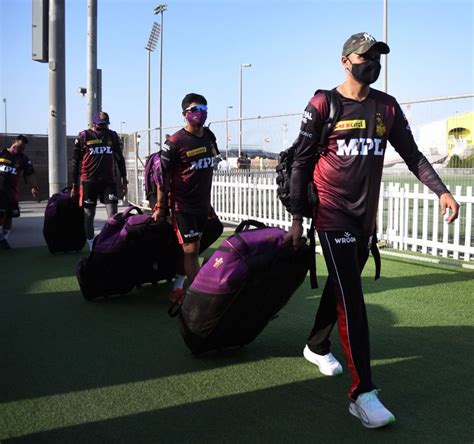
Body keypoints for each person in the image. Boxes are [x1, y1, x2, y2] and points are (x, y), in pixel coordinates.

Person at [285, 32, 459, 429]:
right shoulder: (322, 104)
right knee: (353, 299)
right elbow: (300, 162)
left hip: (365, 221)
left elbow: (413, 155)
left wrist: (442, 191)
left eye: (378, 57)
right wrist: (298, 217)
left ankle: (315, 345)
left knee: (341, 286)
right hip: (330, 214)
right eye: (366, 56)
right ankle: (363, 393)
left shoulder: (387, 107)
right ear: (345, 61)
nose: (374, 64)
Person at [152, 93, 220, 303]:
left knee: (194, 248)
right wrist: (161, 206)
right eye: (195, 109)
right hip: (183, 206)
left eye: (204, 108)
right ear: (184, 114)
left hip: (202, 205)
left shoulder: (209, 137)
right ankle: (202, 298)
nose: (201, 113)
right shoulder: (174, 143)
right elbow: (163, 178)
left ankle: (178, 288)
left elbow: (210, 166)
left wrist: (207, 203)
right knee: (191, 250)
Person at [71, 111, 128, 250]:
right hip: (89, 181)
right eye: (100, 125)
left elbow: (120, 159)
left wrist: (124, 180)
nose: (103, 128)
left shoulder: (112, 136)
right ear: (93, 123)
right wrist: (74, 185)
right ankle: (91, 246)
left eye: (105, 125)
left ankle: (112, 243)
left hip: (108, 182)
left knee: (113, 215)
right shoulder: (83, 136)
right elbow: (75, 162)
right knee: (89, 215)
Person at [0, 135, 40, 250]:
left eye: (23, 148)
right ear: (14, 142)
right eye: (19, 146)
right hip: (0, 192)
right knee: (1, 216)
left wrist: (34, 187)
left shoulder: (23, 159)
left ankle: (4, 240)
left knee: (9, 217)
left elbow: (30, 173)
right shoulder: (2, 153)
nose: (20, 149)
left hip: (12, 194)